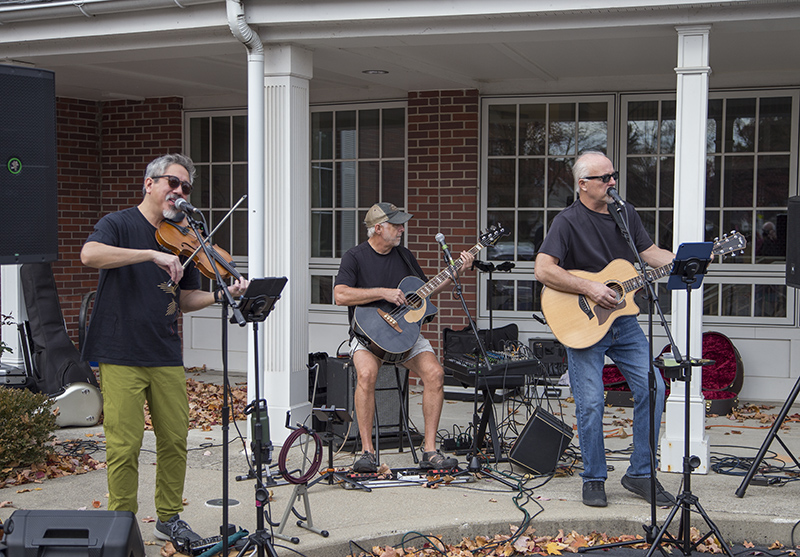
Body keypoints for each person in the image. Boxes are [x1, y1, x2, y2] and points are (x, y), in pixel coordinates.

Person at [81, 154, 249, 543]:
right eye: (173, 183)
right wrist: (151, 253)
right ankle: (121, 524)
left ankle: (169, 518)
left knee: (174, 439)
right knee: (124, 445)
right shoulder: (119, 223)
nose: (180, 192)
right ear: (150, 183)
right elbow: (89, 255)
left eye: (186, 187)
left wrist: (221, 295)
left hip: (165, 350)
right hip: (120, 350)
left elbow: (186, 298)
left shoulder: (184, 236)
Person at [534, 151, 676, 508]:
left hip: (623, 321)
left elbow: (649, 252)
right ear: (583, 184)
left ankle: (641, 473)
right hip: (582, 323)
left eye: (614, 176)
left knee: (654, 387)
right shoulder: (567, 221)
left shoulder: (625, 213)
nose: (613, 182)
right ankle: (594, 477)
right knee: (592, 403)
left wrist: (685, 259)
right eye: (605, 178)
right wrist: (591, 288)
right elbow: (544, 269)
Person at [334, 202, 473, 472]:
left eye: (402, 225)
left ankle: (429, 450)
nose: (402, 229)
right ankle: (367, 453)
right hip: (368, 337)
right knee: (366, 375)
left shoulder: (404, 256)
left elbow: (424, 291)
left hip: (405, 337)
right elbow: (340, 295)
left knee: (435, 374)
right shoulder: (355, 257)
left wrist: (455, 272)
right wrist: (383, 292)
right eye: (396, 225)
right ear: (378, 228)